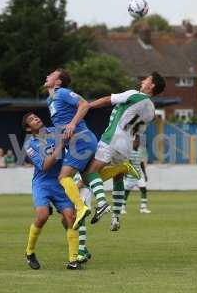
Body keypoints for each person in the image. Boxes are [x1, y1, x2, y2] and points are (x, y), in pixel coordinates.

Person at [84, 72, 166, 231]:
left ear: (152, 85)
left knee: (91, 172)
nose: (143, 80)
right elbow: (139, 133)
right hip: (127, 144)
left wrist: (88, 106)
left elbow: (108, 100)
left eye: (146, 79)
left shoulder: (135, 95)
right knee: (118, 176)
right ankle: (116, 217)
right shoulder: (151, 110)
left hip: (113, 137)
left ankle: (101, 203)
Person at [23, 112, 82, 270]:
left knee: (71, 217)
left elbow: (73, 139)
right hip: (42, 183)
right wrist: (61, 145)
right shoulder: (29, 145)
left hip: (60, 181)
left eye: (36, 116)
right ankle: (30, 253)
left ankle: (73, 260)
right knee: (42, 216)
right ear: (29, 128)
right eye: (32, 120)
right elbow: (44, 166)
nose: (36, 119)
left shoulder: (56, 131)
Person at [44, 68, 97, 230]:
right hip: (75, 143)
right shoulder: (50, 100)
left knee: (63, 177)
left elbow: (84, 104)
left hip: (80, 140)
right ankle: (120, 168)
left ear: (58, 82)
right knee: (88, 178)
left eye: (51, 74)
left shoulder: (62, 93)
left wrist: (73, 123)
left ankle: (81, 207)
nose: (47, 75)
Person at [123, 135, 151, 214]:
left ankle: (143, 208)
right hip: (130, 177)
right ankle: (122, 208)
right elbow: (128, 164)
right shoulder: (130, 152)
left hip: (139, 177)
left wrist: (145, 174)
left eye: (138, 142)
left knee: (144, 190)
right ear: (133, 142)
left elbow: (141, 163)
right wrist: (125, 174)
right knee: (126, 192)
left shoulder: (140, 152)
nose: (138, 143)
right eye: (136, 142)